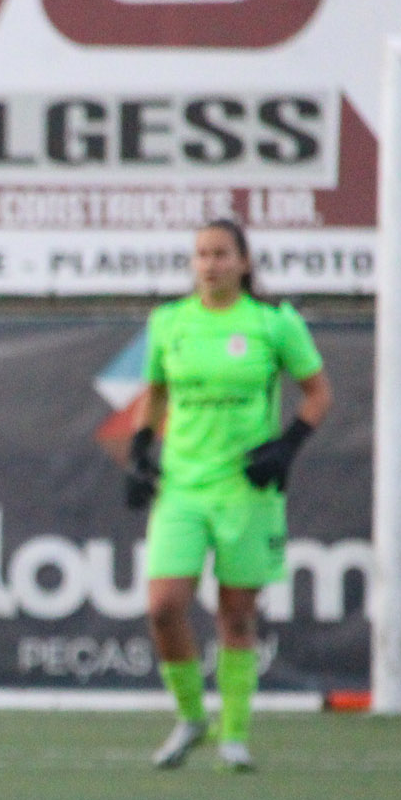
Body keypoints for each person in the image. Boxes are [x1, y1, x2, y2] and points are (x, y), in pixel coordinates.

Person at [126, 218, 330, 772]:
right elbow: (157, 394)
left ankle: (234, 733)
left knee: (237, 616)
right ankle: (191, 717)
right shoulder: (169, 322)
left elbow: (317, 393)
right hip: (183, 487)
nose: (210, 264)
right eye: (201, 254)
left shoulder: (272, 323)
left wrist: (288, 445)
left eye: (220, 254)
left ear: (243, 262)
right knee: (164, 607)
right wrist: (141, 448)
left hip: (246, 490)